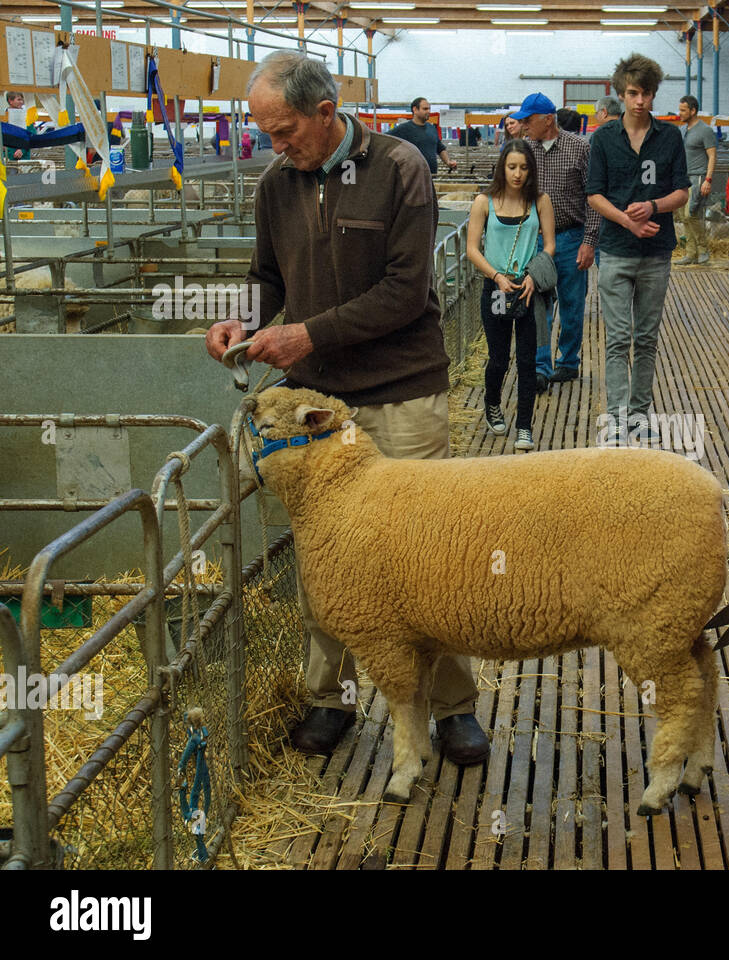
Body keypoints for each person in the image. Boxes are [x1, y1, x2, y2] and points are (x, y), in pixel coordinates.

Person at [203, 51, 488, 764]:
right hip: (319, 406)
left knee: (429, 553)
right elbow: (265, 277)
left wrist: (306, 332)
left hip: (401, 389)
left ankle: (451, 708)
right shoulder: (277, 184)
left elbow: (402, 291)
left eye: (285, 130)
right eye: (267, 134)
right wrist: (241, 322)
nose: (277, 146)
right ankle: (331, 699)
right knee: (328, 559)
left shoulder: (399, 169)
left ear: (326, 113)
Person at [586, 53, 690, 440]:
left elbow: (682, 191)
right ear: (621, 94)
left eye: (646, 94)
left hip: (657, 252)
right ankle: (616, 416)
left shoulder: (670, 137)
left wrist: (654, 206)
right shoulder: (603, 139)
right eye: (632, 93)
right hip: (614, 250)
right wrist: (626, 219)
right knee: (617, 339)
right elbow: (593, 194)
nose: (640, 101)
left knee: (646, 338)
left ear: (654, 95)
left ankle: (640, 414)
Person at [467, 138, 556, 451]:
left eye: (523, 167)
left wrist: (534, 274)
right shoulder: (485, 202)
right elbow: (472, 248)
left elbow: (549, 245)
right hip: (496, 287)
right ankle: (492, 403)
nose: (518, 174)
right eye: (512, 167)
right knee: (499, 358)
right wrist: (496, 276)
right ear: (502, 168)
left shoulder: (540, 201)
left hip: (527, 288)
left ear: (531, 170)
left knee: (528, 359)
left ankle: (524, 426)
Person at [512, 93, 601, 391]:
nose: (524, 125)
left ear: (548, 119)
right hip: (535, 240)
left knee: (572, 303)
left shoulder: (580, 148)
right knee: (537, 303)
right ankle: (540, 366)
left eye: (528, 120)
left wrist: (589, 241)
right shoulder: (524, 151)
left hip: (570, 236)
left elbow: (594, 198)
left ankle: (568, 362)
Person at [388, 97, 458, 227]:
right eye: (425, 109)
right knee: (416, 207)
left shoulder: (431, 128)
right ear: (415, 109)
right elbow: (387, 141)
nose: (428, 112)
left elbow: (439, 147)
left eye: (429, 109)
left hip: (432, 177)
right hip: (413, 178)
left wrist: (448, 162)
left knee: (430, 205)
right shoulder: (404, 129)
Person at [674, 95, 717, 266]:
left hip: (698, 176)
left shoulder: (705, 130)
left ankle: (703, 249)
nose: (680, 113)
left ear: (693, 110)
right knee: (683, 217)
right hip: (684, 178)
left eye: (683, 110)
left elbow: (712, 155)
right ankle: (691, 253)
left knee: (691, 214)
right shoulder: (684, 130)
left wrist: (708, 179)